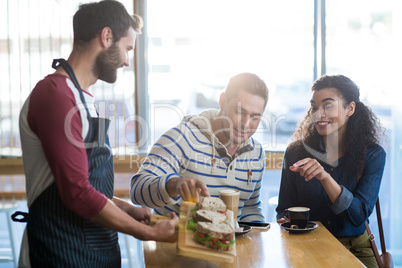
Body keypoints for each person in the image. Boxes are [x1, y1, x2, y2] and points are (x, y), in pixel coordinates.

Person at [18, 1, 178, 267]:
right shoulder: (55, 95)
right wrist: (148, 233)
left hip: (93, 251)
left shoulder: (82, 98)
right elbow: (77, 192)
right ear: (106, 37)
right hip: (57, 252)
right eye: (127, 49)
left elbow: (85, 183)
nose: (127, 61)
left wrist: (125, 208)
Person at [276, 74, 385, 267]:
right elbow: (283, 208)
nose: (319, 114)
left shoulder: (372, 155)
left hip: (355, 248)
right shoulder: (295, 152)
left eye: (328, 106)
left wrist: (324, 177)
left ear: (350, 108)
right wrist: (285, 222)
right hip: (307, 244)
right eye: (314, 107)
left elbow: (358, 217)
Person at [130, 73, 268, 223]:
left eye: (255, 117)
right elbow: (137, 190)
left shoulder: (257, 153)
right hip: (174, 243)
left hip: (228, 244)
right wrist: (173, 184)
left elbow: (250, 208)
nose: (246, 124)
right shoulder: (181, 137)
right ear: (222, 101)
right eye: (240, 112)